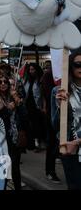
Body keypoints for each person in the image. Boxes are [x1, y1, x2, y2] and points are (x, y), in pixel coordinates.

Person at [52, 49, 81, 190]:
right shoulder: (60, 91)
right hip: (70, 148)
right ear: (70, 66)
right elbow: (55, 124)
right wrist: (60, 106)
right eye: (78, 64)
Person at [0, 73, 28, 190]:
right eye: (0, 82)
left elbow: (25, 117)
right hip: (1, 138)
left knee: (15, 167)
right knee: (4, 167)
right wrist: (6, 109)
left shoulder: (14, 97)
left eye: (5, 82)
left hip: (14, 138)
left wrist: (16, 100)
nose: (3, 84)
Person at [41, 60, 61, 183]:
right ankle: (50, 171)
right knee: (52, 144)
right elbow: (48, 95)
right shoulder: (50, 74)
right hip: (53, 114)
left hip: (68, 116)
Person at [22, 63, 46, 151]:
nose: (31, 71)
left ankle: (38, 143)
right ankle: (32, 143)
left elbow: (43, 95)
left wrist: (43, 106)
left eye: (33, 69)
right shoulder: (27, 80)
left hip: (37, 105)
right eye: (30, 69)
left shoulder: (40, 80)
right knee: (30, 124)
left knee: (37, 124)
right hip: (28, 104)